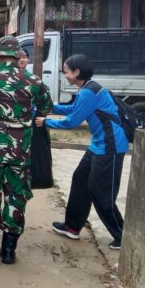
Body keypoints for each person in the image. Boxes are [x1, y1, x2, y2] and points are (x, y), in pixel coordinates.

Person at [0, 36, 53, 266]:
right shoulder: (33, 80)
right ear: (18, 56)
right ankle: (8, 252)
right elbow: (46, 107)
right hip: (20, 152)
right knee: (16, 198)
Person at [36, 54, 129, 251]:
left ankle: (122, 236)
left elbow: (72, 121)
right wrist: (48, 107)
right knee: (80, 181)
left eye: (66, 72)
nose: (64, 75)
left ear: (77, 72)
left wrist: (45, 121)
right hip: (98, 145)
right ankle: (72, 227)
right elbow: (74, 109)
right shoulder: (87, 89)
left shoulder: (89, 92)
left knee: (100, 191)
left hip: (110, 147)